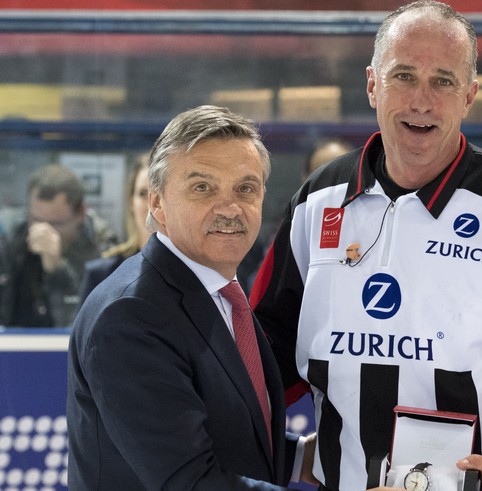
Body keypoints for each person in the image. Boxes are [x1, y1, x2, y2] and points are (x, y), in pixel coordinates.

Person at [251, 2, 482, 490]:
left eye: (443, 81)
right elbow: (266, 343)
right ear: (372, 84)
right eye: (404, 77)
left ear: (470, 96)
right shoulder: (318, 200)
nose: (422, 100)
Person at [67, 105, 314, 490]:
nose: (231, 208)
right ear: (157, 204)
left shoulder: (220, 293)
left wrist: (306, 458)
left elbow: (220, 430)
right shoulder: (131, 315)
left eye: (245, 188)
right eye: (203, 188)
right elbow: (188, 480)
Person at [0, 163, 118, 327]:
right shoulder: (13, 239)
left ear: (81, 213)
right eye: (36, 219)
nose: (42, 231)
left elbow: (82, 328)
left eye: (55, 224)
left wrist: (56, 270)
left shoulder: (103, 249)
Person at [78, 154, 151, 303]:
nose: (152, 204)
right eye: (143, 194)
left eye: (161, 194)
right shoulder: (102, 275)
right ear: (131, 202)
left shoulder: (197, 272)